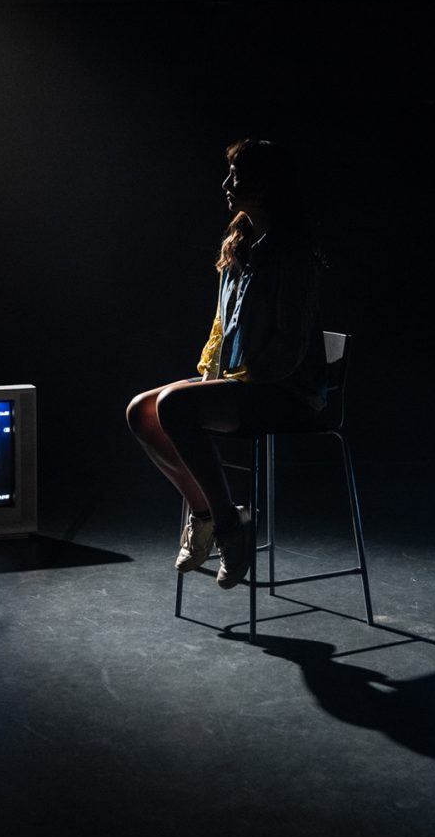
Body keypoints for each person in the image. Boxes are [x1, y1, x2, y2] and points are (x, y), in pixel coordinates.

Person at [126, 138, 328, 589]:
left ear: (265, 183)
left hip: (287, 391)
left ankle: (231, 532)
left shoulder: (293, 251)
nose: (225, 184)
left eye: (235, 177)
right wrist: (209, 373)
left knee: (175, 407)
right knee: (142, 410)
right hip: (243, 383)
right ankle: (211, 515)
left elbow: (291, 344)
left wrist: (238, 382)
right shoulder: (241, 242)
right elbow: (223, 321)